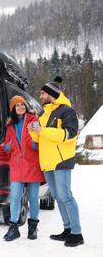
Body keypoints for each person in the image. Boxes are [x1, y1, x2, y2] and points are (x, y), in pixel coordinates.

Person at [28, 80, 83, 247]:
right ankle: (67, 229)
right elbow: (39, 138)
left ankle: (77, 232)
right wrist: (33, 130)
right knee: (58, 197)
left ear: (51, 95)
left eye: (43, 94)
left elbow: (70, 134)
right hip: (47, 162)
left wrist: (43, 130)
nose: (40, 96)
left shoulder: (67, 111)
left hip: (61, 160)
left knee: (66, 196)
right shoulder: (44, 114)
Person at [3, 96, 46, 241]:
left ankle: (32, 228)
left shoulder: (33, 120)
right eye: (17, 105)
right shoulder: (10, 126)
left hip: (32, 163)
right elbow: (5, 145)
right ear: (13, 109)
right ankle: (13, 227)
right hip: (16, 164)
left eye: (23, 104)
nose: (21, 107)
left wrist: (33, 145)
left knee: (33, 198)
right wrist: (11, 146)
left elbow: (41, 141)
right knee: (15, 197)